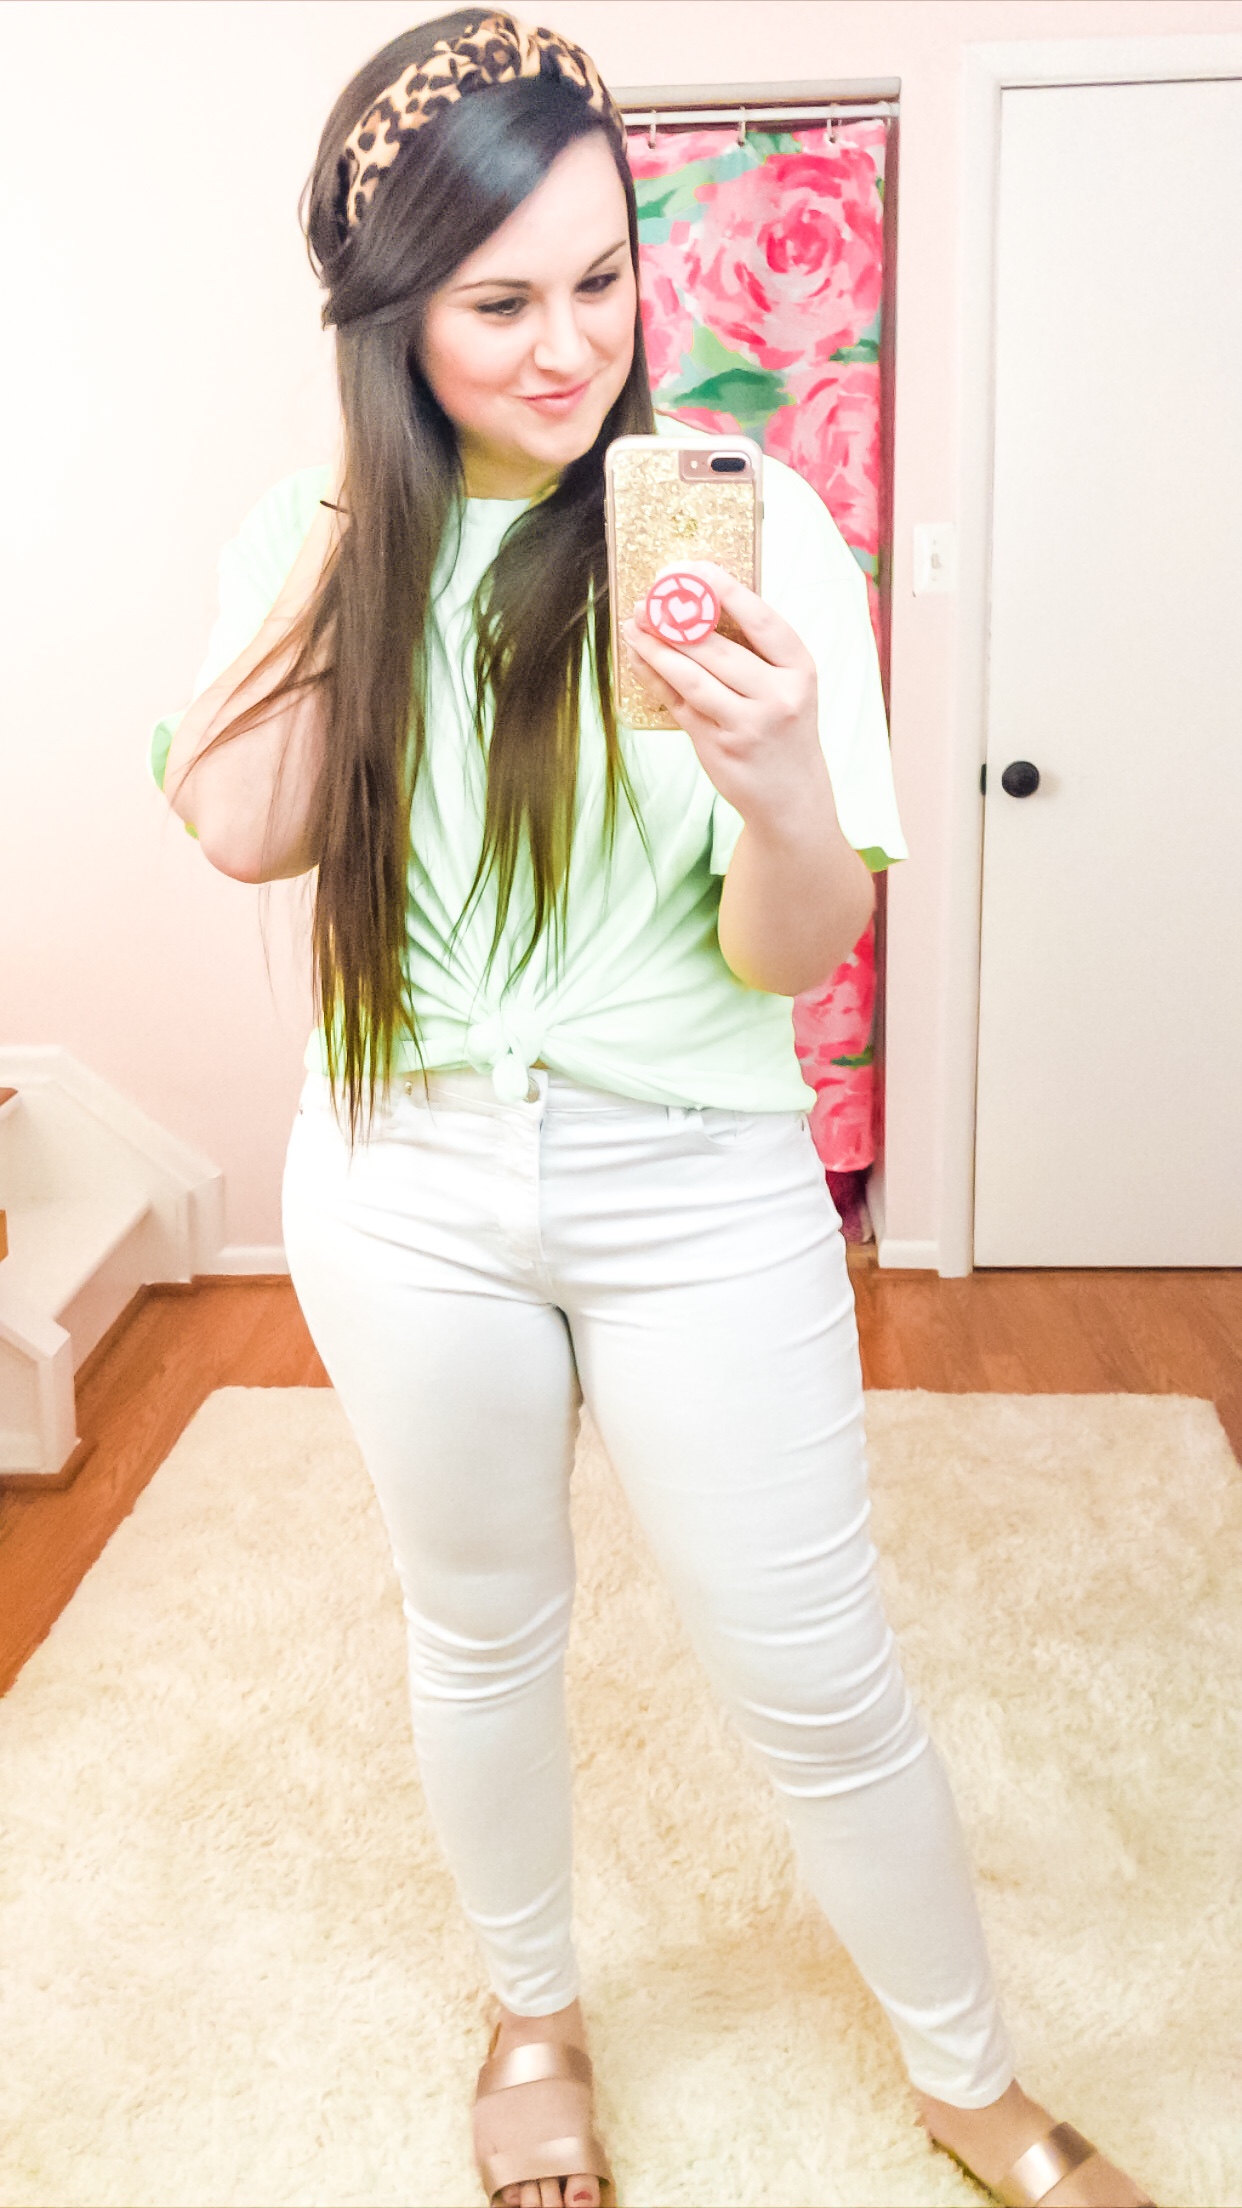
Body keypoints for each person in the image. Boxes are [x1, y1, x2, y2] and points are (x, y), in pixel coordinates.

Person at [151, 13, 1156, 2208]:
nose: (570, 348)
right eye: (496, 301)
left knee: (815, 1671)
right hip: (402, 1182)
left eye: (603, 278)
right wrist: (355, 512)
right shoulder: (315, 541)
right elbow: (241, 828)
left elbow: (789, 957)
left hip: (696, 1182)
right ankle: (534, 2013)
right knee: (480, 1627)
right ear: (386, 314)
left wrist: (779, 776)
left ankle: (969, 2076)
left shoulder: (747, 521)